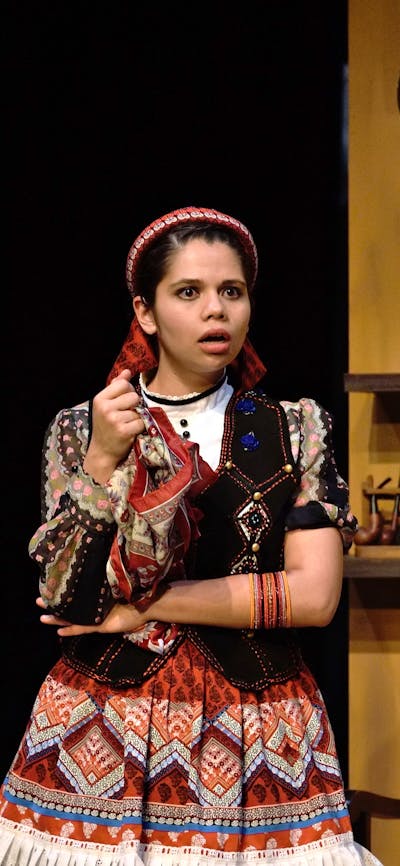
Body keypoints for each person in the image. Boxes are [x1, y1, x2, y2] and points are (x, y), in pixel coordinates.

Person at [0, 206, 382, 866]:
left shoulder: (296, 428)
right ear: (145, 312)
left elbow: (315, 597)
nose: (217, 312)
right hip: (101, 726)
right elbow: (65, 598)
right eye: (189, 293)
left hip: (264, 726)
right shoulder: (80, 428)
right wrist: (100, 464)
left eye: (231, 292)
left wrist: (138, 609)